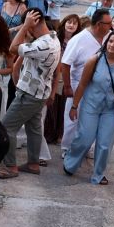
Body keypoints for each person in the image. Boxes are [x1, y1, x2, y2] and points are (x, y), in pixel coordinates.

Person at [63, 29, 114, 184]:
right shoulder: (94, 60)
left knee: (105, 143)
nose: (112, 45)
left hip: (111, 110)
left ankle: (98, 174)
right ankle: (70, 163)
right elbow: (82, 84)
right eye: (110, 41)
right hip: (91, 105)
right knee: (84, 138)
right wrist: (74, 106)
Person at [0, 7, 57, 179]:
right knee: (34, 128)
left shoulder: (42, 44)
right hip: (40, 92)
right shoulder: (53, 37)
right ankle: (33, 164)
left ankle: (11, 167)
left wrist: (24, 27)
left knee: (6, 127)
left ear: (34, 22)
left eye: (28, 24)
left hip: (29, 93)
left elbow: (13, 48)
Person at [59, 6, 110, 144]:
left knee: (92, 119)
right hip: (77, 84)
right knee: (73, 119)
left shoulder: (109, 37)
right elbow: (65, 64)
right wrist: (67, 86)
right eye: (108, 23)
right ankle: (67, 148)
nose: (110, 26)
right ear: (99, 24)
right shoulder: (78, 39)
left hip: (99, 86)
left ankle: (86, 147)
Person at [45, 12, 84, 152]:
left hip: (69, 76)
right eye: (69, 22)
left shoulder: (78, 41)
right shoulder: (56, 37)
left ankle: (60, 135)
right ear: (64, 23)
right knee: (52, 106)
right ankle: (49, 134)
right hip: (54, 75)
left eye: (74, 23)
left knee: (63, 107)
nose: (71, 25)